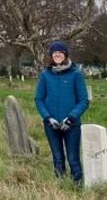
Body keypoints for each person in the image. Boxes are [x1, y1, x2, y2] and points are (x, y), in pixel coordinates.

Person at [35, 40, 89, 186]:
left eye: (60, 52)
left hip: (71, 125)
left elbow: (84, 100)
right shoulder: (45, 75)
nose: (57, 54)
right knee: (58, 158)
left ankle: (77, 187)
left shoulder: (76, 74)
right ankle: (61, 186)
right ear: (51, 56)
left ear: (65, 55)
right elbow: (39, 99)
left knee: (73, 158)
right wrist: (47, 118)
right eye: (54, 52)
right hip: (51, 125)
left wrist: (71, 118)